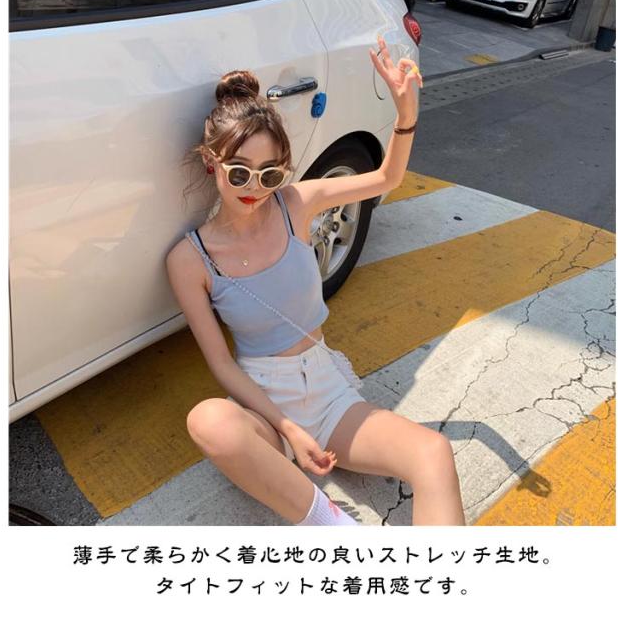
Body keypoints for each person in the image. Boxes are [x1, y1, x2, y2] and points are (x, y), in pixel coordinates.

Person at [166, 36, 466, 526]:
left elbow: (386, 178)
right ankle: (334, 528)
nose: (255, 189)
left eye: (269, 175)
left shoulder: (295, 206)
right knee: (209, 421)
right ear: (211, 163)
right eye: (239, 173)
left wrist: (405, 112)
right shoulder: (190, 259)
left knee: (432, 453)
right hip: (264, 401)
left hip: (326, 390)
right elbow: (221, 365)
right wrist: (288, 428)